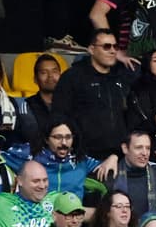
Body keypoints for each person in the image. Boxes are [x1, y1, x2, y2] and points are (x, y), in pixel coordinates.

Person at [50, 30, 131, 161]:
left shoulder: (121, 76)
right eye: (106, 46)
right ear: (92, 49)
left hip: (118, 156)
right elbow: (59, 115)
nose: (112, 51)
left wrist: (118, 153)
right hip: (84, 156)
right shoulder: (73, 77)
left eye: (115, 46)